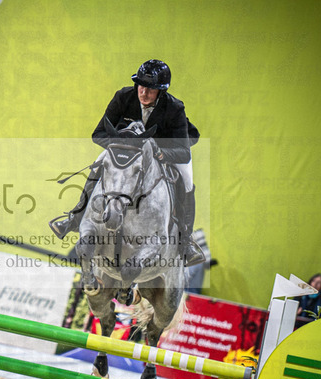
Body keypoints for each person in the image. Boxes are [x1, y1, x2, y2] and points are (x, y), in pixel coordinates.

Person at [49, 59, 205, 266]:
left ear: (161, 91)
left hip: (167, 149)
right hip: (128, 148)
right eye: (141, 86)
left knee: (187, 181)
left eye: (150, 89)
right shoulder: (123, 96)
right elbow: (98, 134)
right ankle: (74, 217)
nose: (144, 93)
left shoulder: (174, 108)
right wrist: (123, 145)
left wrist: (159, 153)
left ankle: (186, 241)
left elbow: (183, 152)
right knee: (98, 164)